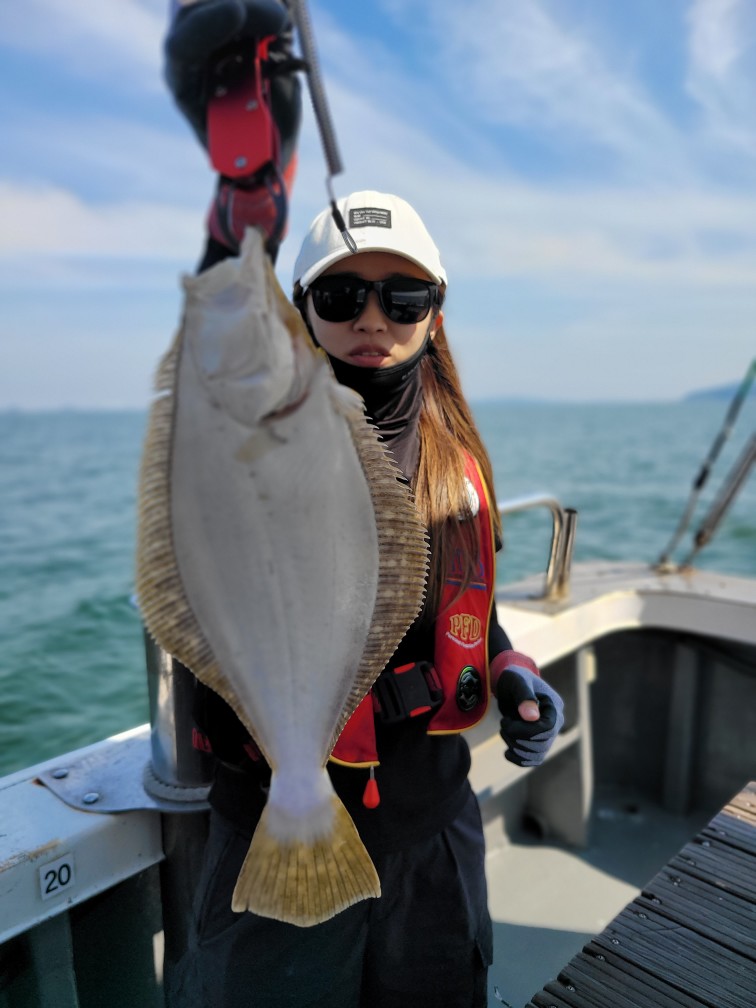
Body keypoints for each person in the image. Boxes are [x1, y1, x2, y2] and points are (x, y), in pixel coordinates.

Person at [163, 3, 565, 1006]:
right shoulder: (254, 425)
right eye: (340, 297)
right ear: (299, 312)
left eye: (403, 297)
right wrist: (247, 191)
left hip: (432, 839)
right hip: (280, 831)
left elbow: (460, 612)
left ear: (436, 314)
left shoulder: (452, 456)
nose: (372, 318)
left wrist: (510, 670)